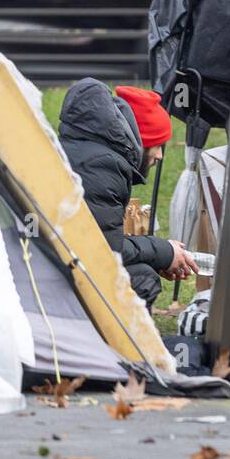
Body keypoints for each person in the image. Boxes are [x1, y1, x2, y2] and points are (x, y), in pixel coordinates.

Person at [59, 80, 198, 306]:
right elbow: (107, 250)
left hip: (59, 261)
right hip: (64, 276)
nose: (161, 156)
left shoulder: (88, 151)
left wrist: (158, 255)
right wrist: (164, 251)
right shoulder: (103, 167)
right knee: (143, 279)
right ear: (141, 143)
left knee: (142, 269)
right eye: (157, 145)